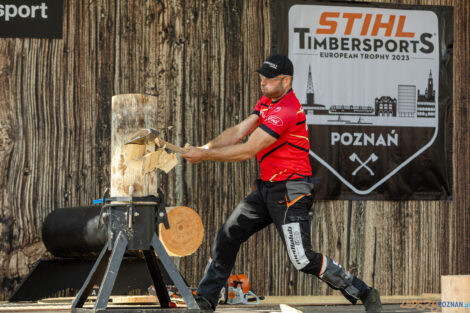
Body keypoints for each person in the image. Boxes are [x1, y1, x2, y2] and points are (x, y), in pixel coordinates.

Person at [181, 54, 382, 313]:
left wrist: (205, 156)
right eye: (261, 77)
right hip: (268, 187)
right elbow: (239, 131)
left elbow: (248, 149)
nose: (262, 82)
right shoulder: (267, 100)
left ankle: (363, 291)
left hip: (293, 189)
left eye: (269, 78)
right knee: (228, 234)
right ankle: (206, 299)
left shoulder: (287, 110)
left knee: (301, 259)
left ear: (286, 81)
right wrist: (204, 147)